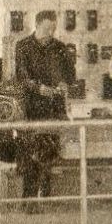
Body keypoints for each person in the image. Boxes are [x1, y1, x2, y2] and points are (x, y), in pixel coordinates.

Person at [14, 11, 77, 204]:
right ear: (37, 24)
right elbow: (22, 77)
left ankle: (46, 194)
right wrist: (39, 88)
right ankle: (29, 199)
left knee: (49, 152)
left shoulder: (60, 48)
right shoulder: (23, 46)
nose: (51, 32)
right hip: (31, 107)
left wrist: (64, 85)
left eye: (53, 28)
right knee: (30, 152)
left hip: (53, 107)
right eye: (47, 28)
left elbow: (70, 76)